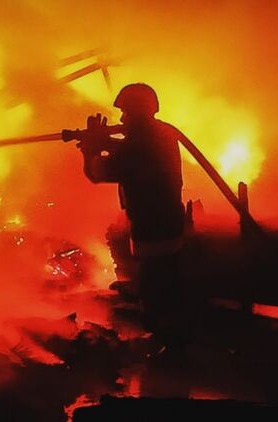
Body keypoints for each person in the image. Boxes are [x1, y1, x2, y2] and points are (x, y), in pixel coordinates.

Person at [78, 83, 190, 353]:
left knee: (155, 290)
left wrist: (91, 150)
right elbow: (130, 150)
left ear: (137, 113)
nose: (122, 118)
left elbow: (99, 172)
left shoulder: (139, 145)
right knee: (165, 282)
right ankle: (171, 339)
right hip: (167, 222)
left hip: (154, 227)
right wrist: (105, 142)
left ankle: (169, 348)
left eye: (126, 112)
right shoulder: (160, 134)